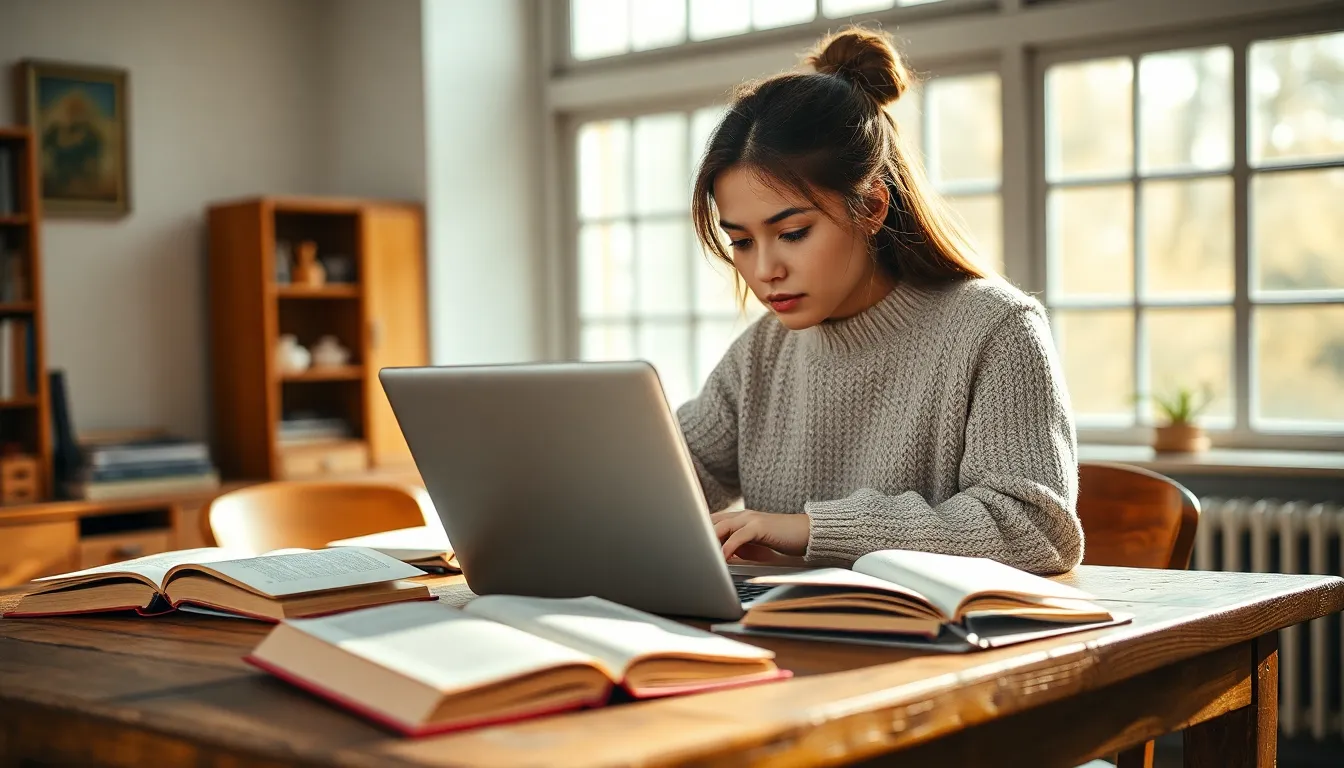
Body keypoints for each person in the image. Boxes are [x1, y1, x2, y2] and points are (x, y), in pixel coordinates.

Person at [677, 27, 1084, 576]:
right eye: (742, 242)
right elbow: (668, 480)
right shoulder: (760, 354)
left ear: (870, 206)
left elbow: (1036, 530)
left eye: (793, 232)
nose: (764, 270)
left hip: (930, 652)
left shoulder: (996, 328)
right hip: (782, 640)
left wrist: (814, 530)